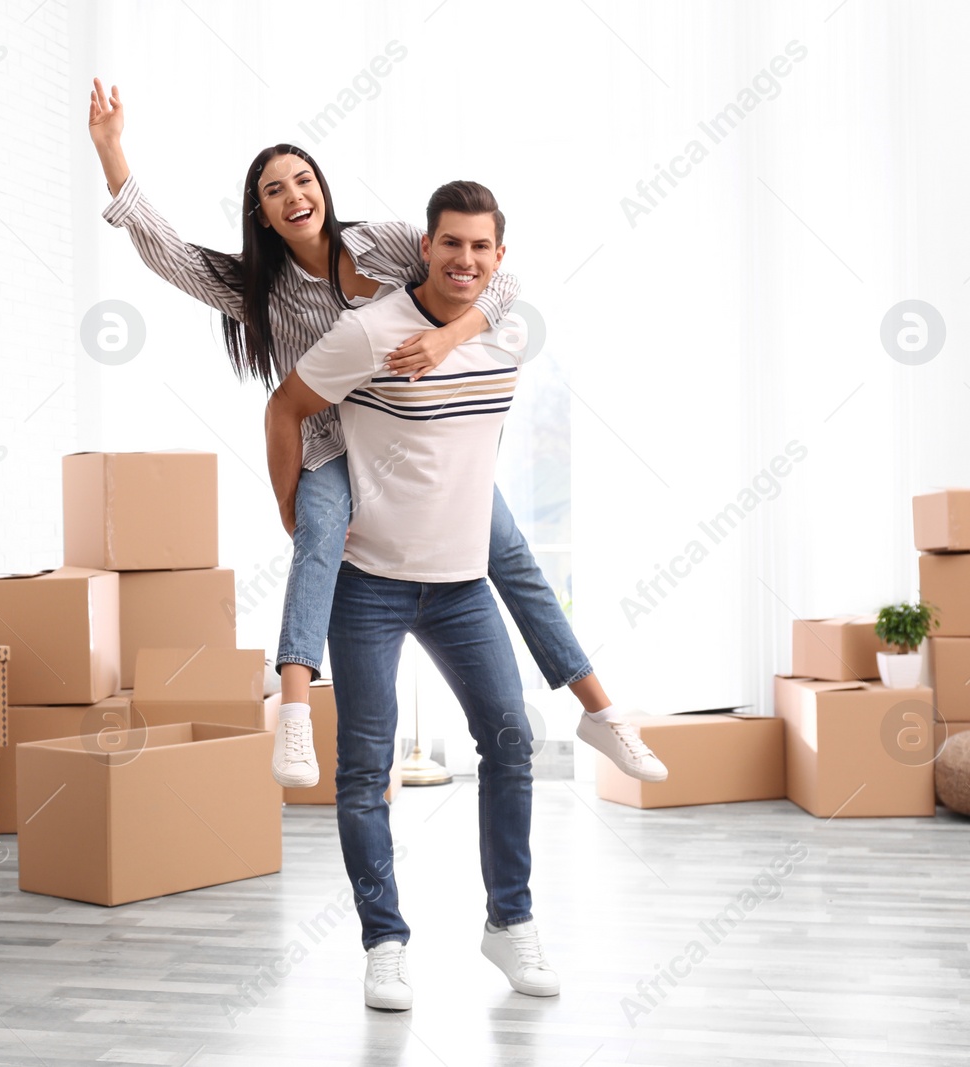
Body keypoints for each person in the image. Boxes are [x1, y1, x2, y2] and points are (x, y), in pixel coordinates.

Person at [85, 78, 666, 789]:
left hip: (418, 443)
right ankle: (295, 713)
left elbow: (497, 282)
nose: (294, 193)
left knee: (511, 555)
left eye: (303, 179)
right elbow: (166, 250)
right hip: (335, 444)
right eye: (274, 189)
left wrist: (452, 337)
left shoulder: (385, 243)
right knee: (319, 531)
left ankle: (598, 710)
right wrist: (114, 152)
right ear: (262, 213)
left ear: (322, 189)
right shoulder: (255, 289)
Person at [266, 181, 560, 1010]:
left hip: (463, 584)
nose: (464, 259)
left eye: (480, 247)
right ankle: (384, 942)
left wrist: (457, 339)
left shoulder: (507, 328)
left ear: (498, 259)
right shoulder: (368, 330)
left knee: (510, 743)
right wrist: (297, 513)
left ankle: (510, 921)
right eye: (450, 243)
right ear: (423, 247)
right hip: (370, 584)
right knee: (364, 769)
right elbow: (286, 405)